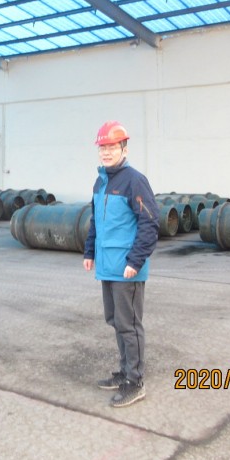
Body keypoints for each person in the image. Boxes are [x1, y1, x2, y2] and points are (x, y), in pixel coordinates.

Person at [83, 121, 160, 408]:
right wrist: (89, 252)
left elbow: (150, 222)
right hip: (107, 265)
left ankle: (135, 382)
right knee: (115, 321)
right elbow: (96, 221)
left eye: (111, 147)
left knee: (129, 325)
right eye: (102, 147)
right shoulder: (101, 181)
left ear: (124, 149)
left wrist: (136, 261)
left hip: (127, 268)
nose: (106, 152)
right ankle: (125, 371)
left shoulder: (134, 181)